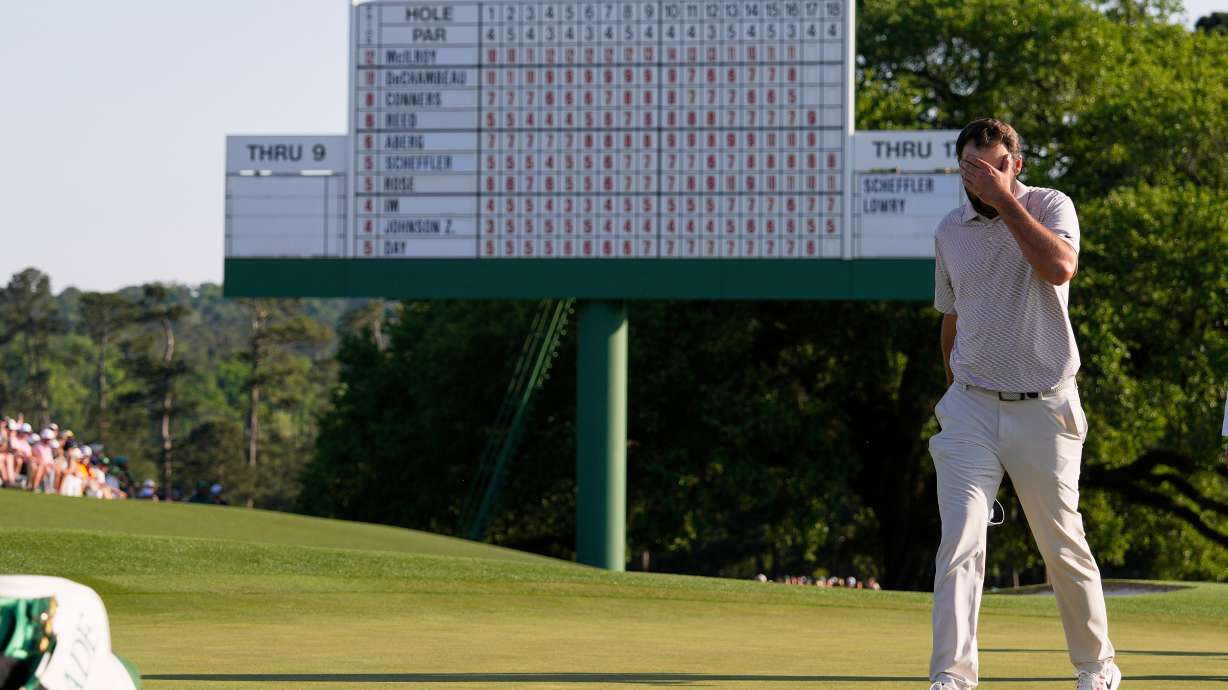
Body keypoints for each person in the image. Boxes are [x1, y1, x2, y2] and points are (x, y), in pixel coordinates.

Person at [927, 118, 1120, 690]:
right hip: (970, 409)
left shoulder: (1051, 205)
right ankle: (953, 675)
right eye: (969, 168)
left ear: (1017, 165)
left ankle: (1096, 666)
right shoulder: (949, 229)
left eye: (991, 167)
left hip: (1045, 407)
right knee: (960, 539)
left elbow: (1058, 266)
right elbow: (952, 317)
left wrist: (1004, 201)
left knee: (1061, 543)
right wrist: (956, 387)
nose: (978, 179)